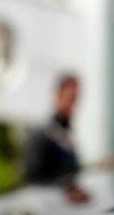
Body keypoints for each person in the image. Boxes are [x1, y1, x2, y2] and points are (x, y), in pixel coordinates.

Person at [24, 73, 89, 203]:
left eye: (76, 98)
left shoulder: (67, 133)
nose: (74, 104)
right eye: (71, 97)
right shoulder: (41, 135)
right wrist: (67, 190)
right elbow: (32, 179)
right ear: (58, 95)